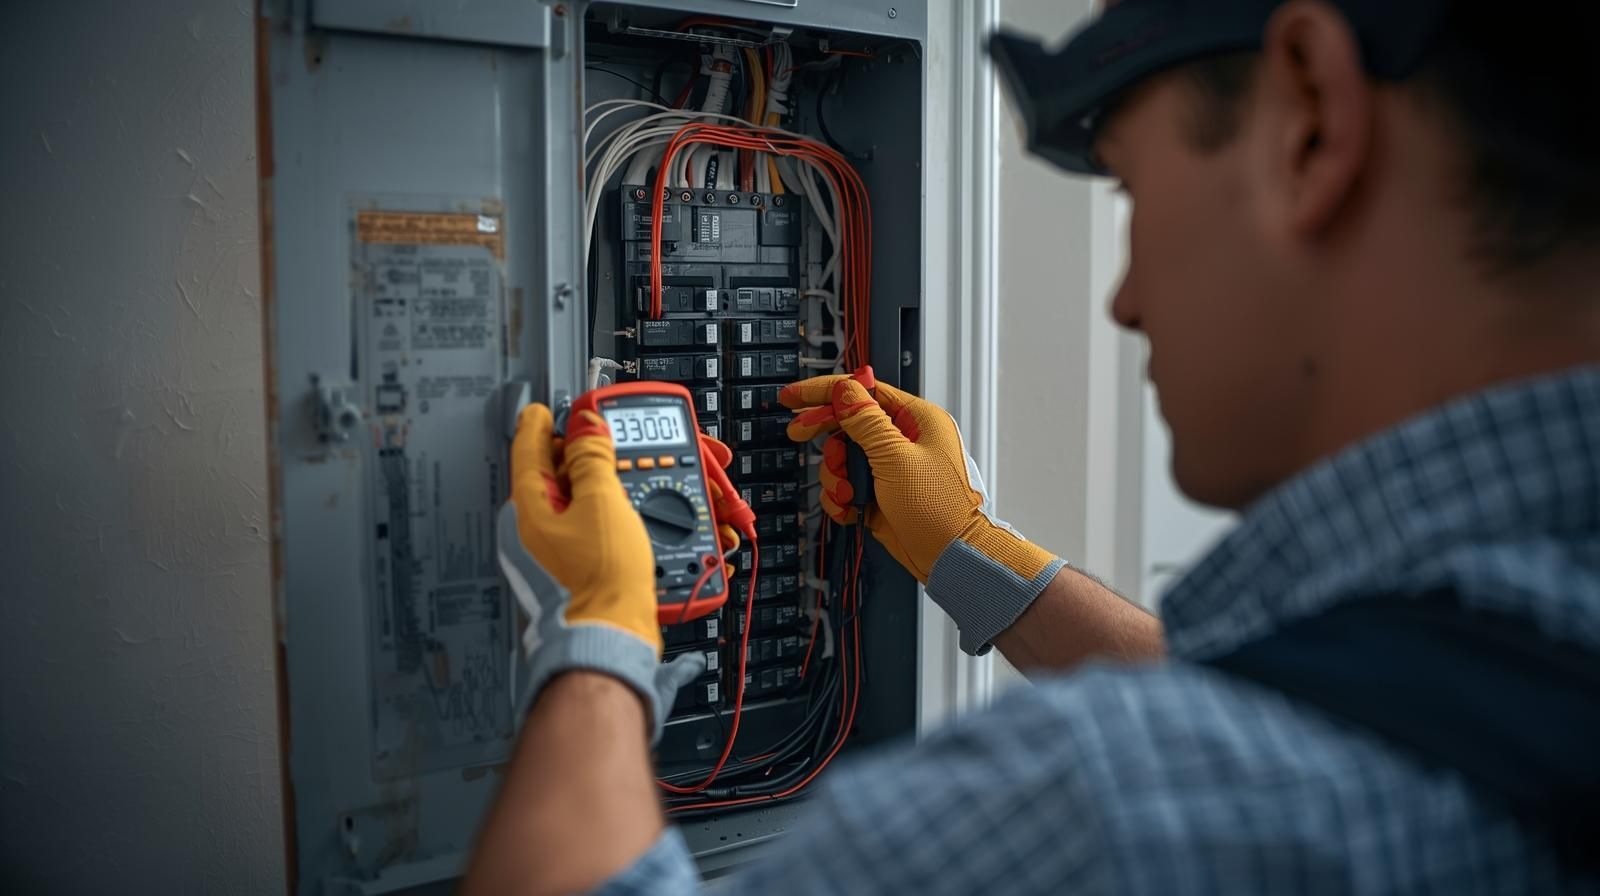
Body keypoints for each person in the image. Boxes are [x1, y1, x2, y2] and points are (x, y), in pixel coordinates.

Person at [463, 0, 1600, 892]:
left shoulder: (1105, 805)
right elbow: (1350, 712)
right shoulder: (1522, 651)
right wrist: (964, 543)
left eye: (1135, 193)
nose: (1125, 299)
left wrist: (597, 632)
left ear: (1310, 122)